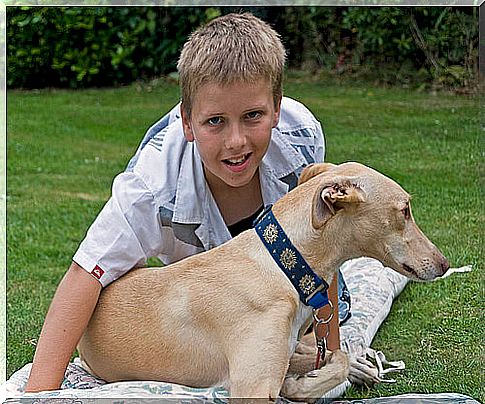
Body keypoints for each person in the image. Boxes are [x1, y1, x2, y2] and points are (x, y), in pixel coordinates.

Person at [25, 12, 350, 392]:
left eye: (253, 116)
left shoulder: (301, 138)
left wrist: (327, 349)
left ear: (276, 108)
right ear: (187, 122)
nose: (236, 141)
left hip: (278, 280)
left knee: (312, 330)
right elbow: (86, 273)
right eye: (215, 121)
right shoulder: (151, 186)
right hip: (204, 300)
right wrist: (38, 395)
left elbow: (324, 244)